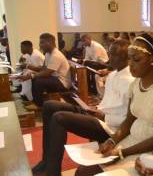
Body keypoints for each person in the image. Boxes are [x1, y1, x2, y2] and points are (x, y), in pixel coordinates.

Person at [75, 33, 153, 175]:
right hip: (129, 142)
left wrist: (122, 153)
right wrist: (111, 141)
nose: (131, 64)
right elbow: (128, 122)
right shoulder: (135, 84)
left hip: (148, 152)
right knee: (83, 170)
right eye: (130, 58)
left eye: (136, 59)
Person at [31, 39, 134, 175]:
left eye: (114, 55)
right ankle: (46, 161)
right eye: (110, 54)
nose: (110, 58)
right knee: (49, 105)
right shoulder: (113, 74)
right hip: (99, 114)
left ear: (127, 57)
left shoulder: (131, 81)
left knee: (59, 118)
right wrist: (95, 108)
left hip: (109, 127)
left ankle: (53, 171)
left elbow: (128, 120)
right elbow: (108, 104)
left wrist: (103, 115)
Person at [16, 33, 71, 110]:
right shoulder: (48, 54)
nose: (40, 45)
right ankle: (35, 101)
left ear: (49, 42)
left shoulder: (56, 55)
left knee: (39, 81)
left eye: (42, 42)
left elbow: (47, 72)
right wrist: (33, 73)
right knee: (35, 78)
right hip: (54, 78)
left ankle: (38, 105)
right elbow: (43, 68)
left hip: (62, 82)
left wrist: (31, 76)